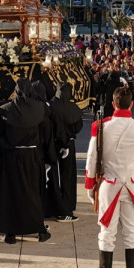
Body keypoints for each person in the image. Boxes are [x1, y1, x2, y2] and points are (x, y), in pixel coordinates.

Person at [85, 85, 134, 268]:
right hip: (132, 184)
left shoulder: (100, 126)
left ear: (113, 104)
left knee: (107, 233)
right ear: (132, 104)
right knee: (132, 233)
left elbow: (91, 160)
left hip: (108, 184)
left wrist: (90, 186)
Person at [0, 80, 52, 244]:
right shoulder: (40, 109)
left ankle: (11, 232)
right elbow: (45, 132)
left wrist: (6, 143)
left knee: (11, 193)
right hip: (32, 156)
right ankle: (39, 229)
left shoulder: (6, 110)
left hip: (13, 156)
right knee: (32, 193)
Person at [46, 83, 84, 221]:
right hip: (69, 145)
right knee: (67, 177)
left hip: (53, 146)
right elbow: (78, 126)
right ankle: (65, 210)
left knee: (53, 177)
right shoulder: (73, 108)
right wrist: (67, 139)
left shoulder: (50, 106)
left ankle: (51, 208)